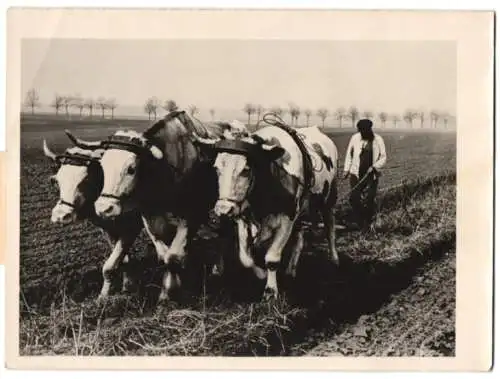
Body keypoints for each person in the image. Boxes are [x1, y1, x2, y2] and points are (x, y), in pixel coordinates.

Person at [343, 118, 387, 230]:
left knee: (369, 199)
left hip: (371, 175)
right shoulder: (355, 138)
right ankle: (359, 221)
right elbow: (349, 154)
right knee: (354, 198)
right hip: (355, 173)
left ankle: (367, 223)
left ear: (369, 129)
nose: (362, 133)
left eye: (364, 130)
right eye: (360, 131)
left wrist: (374, 166)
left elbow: (383, 157)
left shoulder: (378, 140)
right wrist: (346, 170)